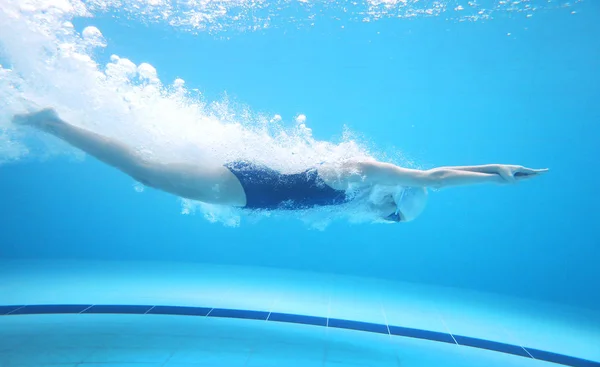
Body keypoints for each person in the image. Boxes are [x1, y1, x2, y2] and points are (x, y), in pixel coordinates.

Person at [12, 108, 548, 223]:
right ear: (393, 198)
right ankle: (52, 123)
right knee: (148, 172)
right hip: (247, 188)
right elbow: (433, 178)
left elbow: (429, 180)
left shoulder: (361, 193)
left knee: (150, 171)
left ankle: (55, 123)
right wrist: (496, 173)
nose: (386, 222)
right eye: (394, 217)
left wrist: (488, 168)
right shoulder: (365, 174)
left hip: (251, 187)